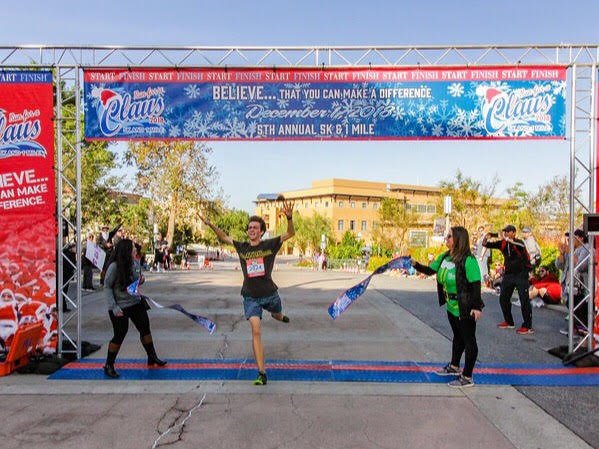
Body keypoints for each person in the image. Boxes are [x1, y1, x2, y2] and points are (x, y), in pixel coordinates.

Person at [200, 200, 295, 386]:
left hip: (270, 294)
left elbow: (291, 233)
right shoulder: (242, 247)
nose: (251, 230)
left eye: (255, 227)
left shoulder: (270, 245)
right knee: (256, 330)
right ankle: (262, 373)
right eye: (249, 227)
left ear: (261, 231)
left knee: (276, 313)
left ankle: (279, 315)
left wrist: (289, 218)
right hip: (250, 297)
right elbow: (224, 237)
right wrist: (211, 225)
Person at [411, 226, 484, 388]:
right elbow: (430, 270)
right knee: (458, 337)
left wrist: (476, 307)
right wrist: (414, 263)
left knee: (469, 340)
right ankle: (454, 366)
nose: (446, 239)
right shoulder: (445, 257)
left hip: (465, 307)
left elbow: (475, 285)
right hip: (451, 306)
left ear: (458, 239)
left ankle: (467, 376)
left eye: (449, 236)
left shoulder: (468, 260)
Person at [102, 239, 166, 378]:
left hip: (135, 302)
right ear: (126, 250)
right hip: (119, 306)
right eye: (132, 248)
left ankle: (152, 357)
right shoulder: (114, 267)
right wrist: (114, 307)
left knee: (145, 328)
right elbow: (107, 287)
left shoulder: (135, 263)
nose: (135, 250)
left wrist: (141, 280)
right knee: (120, 334)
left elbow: (137, 279)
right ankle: (109, 364)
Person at [483, 225, 534, 334]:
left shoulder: (519, 242)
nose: (506, 233)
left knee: (524, 299)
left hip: (521, 274)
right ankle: (509, 321)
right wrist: (487, 236)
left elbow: (519, 245)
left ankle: (527, 326)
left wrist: (508, 240)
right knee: (503, 298)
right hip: (509, 275)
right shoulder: (503, 243)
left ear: (514, 233)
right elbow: (485, 244)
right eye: (504, 231)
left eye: (508, 231)